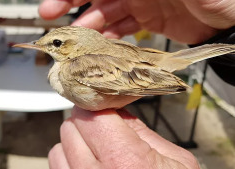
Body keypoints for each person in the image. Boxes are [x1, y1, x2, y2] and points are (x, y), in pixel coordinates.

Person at [39, 0, 235, 168]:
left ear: (75, 47)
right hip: (145, 64)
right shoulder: (75, 65)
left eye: (56, 44)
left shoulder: (76, 69)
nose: (44, 47)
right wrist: (221, 30)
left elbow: (136, 81)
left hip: (147, 71)